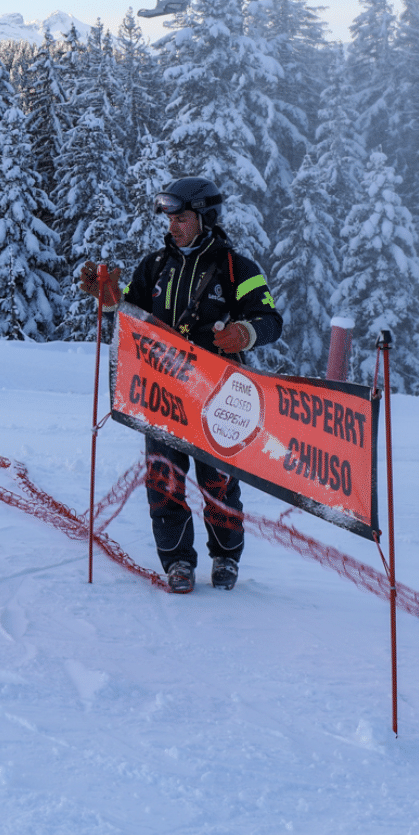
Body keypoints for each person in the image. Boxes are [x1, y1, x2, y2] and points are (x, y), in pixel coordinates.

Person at [79, 176, 283, 594]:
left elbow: (271, 320)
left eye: (183, 217)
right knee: (164, 479)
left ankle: (225, 557)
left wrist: (245, 333)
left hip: (219, 398)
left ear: (205, 218)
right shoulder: (155, 266)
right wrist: (111, 299)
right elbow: (131, 318)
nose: (173, 225)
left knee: (219, 482)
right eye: (170, 217)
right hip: (163, 396)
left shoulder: (236, 268)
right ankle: (177, 563)